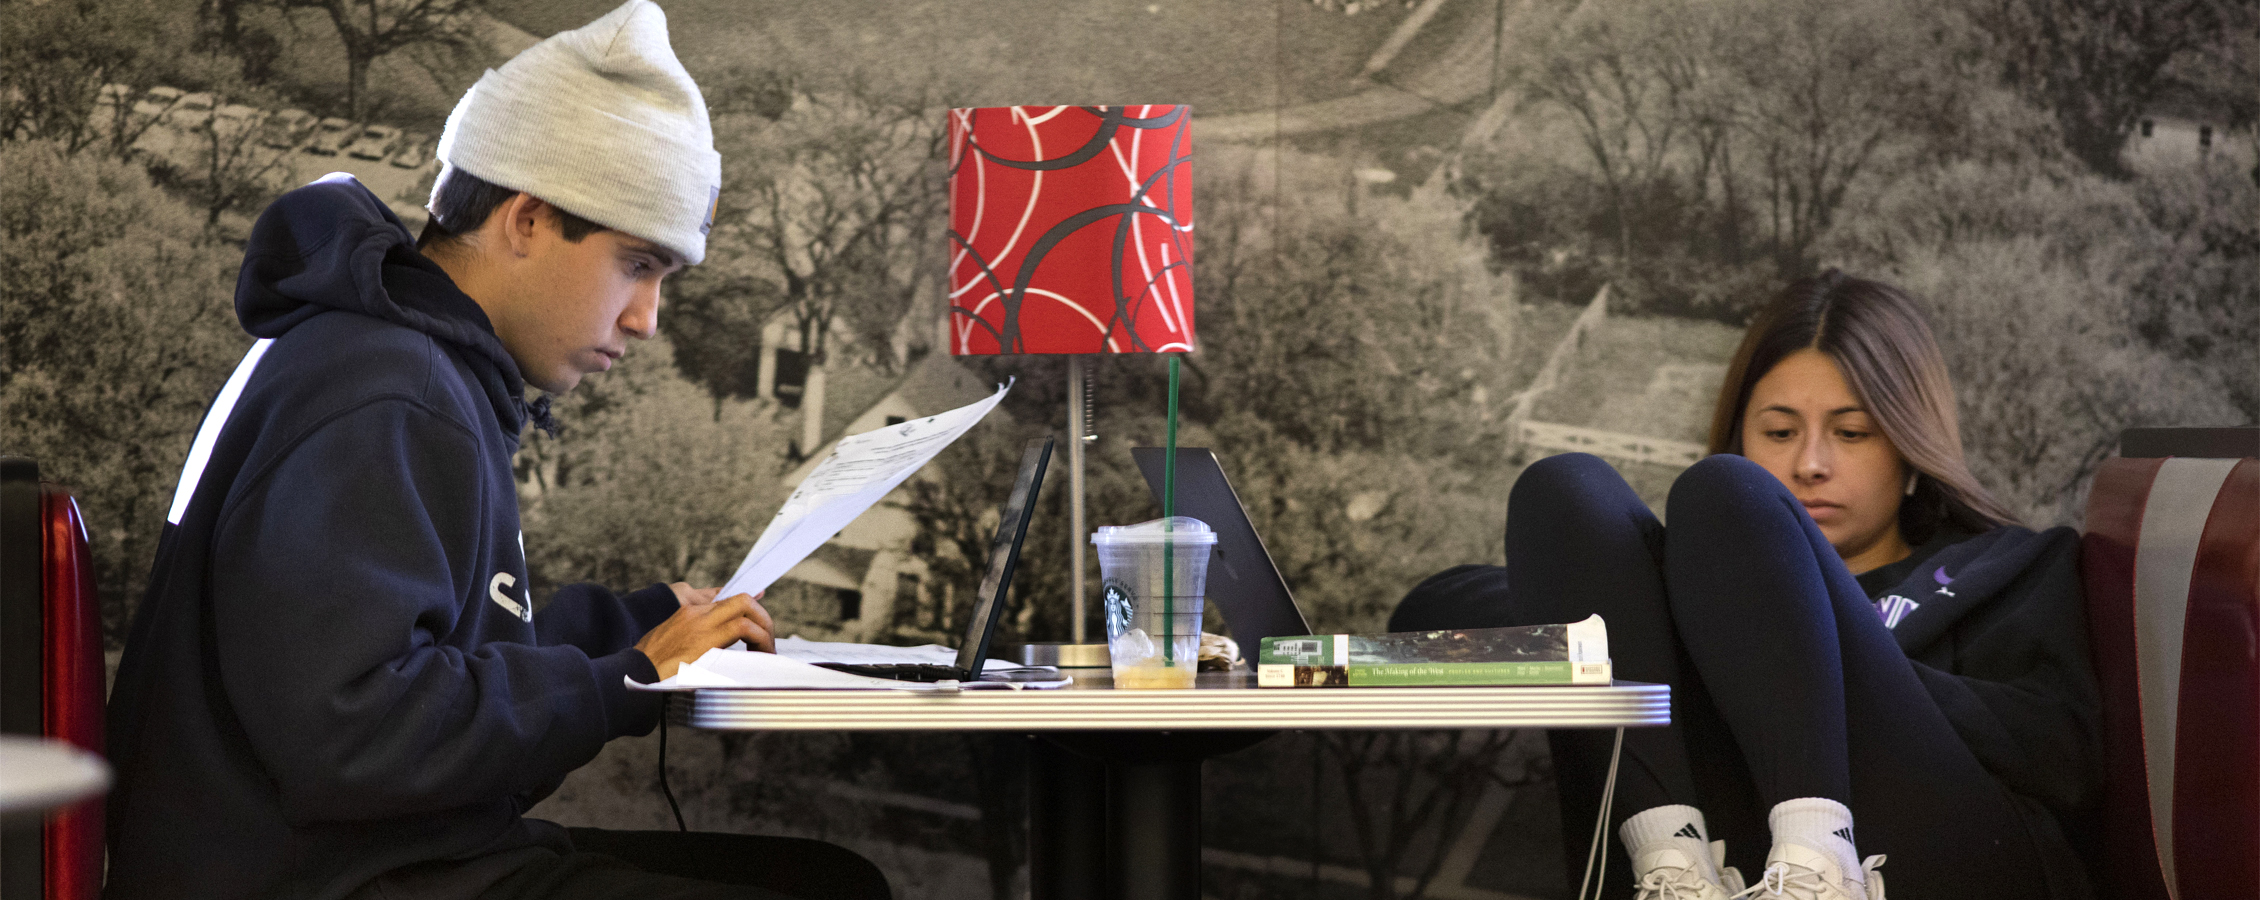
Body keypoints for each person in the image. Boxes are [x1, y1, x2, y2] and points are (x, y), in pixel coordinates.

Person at [102, 3, 888, 899]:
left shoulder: (387, 358)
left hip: (371, 860)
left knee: (830, 880)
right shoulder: (394, 390)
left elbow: (413, 664)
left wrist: (633, 633)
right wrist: (627, 680)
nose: (646, 320)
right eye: (637, 265)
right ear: (524, 219)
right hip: (337, 878)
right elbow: (355, 736)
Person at [1393, 271, 2099, 900]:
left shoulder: (2005, 566)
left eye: (1851, 433)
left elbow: (2064, 755)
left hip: (1947, 863)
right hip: (1716, 858)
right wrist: (1653, 623)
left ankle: (1821, 867)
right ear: (1739, 435)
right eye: (1779, 431)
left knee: (1712, 528)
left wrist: (1799, 667)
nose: (1811, 463)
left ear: (1911, 449)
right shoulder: (1672, 585)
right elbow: (1418, 631)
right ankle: (1672, 868)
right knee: (1566, 490)